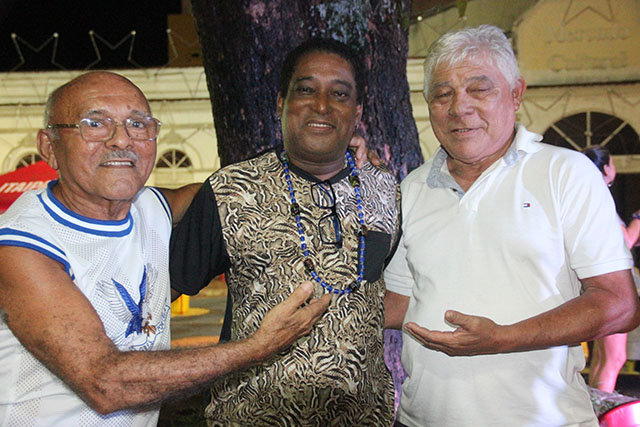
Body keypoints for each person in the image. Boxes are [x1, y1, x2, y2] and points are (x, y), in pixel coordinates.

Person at [0, 71, 332, 426]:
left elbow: (234, 186)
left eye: (138, 124)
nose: (121, 140)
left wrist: (340, 155)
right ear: (49, 146)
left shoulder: (151, 208)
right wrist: (259, 347)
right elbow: (106, 382)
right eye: (94, 123)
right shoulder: (22, 244)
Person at [383, 25, 640, 426]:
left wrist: (503, 338)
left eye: (478, 89)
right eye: (442, 93)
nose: (458, 108)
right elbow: (399, 302)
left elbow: (619, 304)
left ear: (516, 94)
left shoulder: (564, 173)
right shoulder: (411, 188)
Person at [170, 38, 400, 425]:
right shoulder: (232, 191)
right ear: (281, 101)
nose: (322, 105)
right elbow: (164, 292)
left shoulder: (386, 190)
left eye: (339, 94)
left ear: (357, 110)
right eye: (306, 89)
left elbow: (394, 289)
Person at [583, 145, 640, 392]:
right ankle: (602, 415)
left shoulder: (589, 196)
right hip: (612, 289)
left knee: (603, 358)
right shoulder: (600, 197)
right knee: (613, 358)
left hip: (602, 287)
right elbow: (624, 241)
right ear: (606, 169)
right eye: (613, 164)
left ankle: (596, 410)